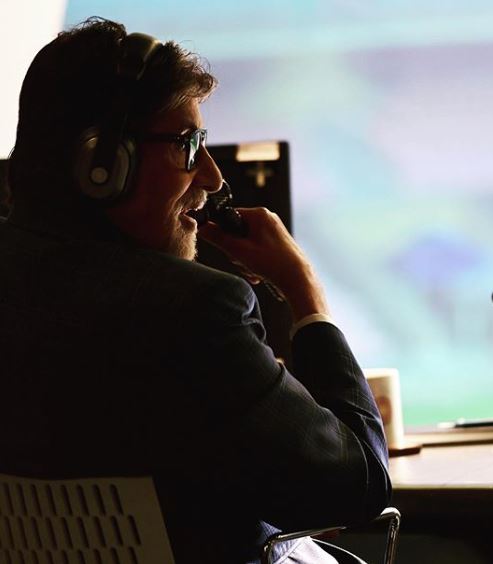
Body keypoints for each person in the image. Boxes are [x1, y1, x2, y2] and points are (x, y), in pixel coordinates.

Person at [0, 17, 392, 564]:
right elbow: (356, 488)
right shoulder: (195, 311)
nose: (212, 177)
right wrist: (306, 297)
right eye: (188, 145)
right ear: (102, 165)